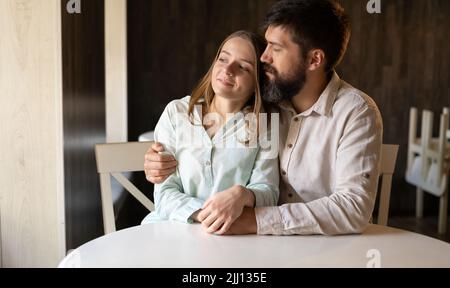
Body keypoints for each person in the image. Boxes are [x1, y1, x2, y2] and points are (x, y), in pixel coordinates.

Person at [145, 0, 383, 235]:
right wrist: (156, 161)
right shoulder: (265, 103)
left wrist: (255, 220)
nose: (264, 58)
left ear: (314, 60)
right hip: (250, 243)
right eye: (266, 45)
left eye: (276, 48)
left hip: (323, 247)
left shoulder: (356, 112)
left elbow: (354, 207)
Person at [141, 30, 279, 234]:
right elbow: (165, 193)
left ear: (258, 82)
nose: (228, 69)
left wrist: (242, 195)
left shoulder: (265, 124)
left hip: (232, 237)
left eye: (242, 67)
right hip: (173, 229)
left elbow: (268, 192)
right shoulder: (176, 113)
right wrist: (208, 214)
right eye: (223, 59)